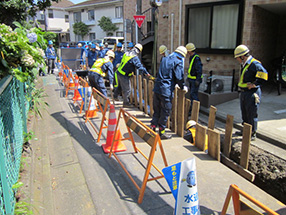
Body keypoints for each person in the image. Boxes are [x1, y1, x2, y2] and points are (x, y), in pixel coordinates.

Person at [150, 46, 188, 139]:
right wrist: (182, 86)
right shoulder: (178, 62)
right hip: (166, 91)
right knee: (165, 111)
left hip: (157, 88)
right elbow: (179, 77)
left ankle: (153, 128)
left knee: (157, 110)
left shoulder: (165, 59)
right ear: (182, 55)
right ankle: (162, 132)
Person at [234, 44, 268, 140]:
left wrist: (255, 84)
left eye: (237, 57)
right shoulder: (245, 64)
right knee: (244, 112)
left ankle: (252, 133)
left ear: (242, 56)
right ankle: (245, 130)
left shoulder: (254, 64)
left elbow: (264, 75)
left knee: (251, 113)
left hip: (252, 93)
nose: (237, 59)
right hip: (244, 92)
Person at [117, 43, 150, 107]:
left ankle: (119, 97)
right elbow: (139, 66)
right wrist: (146, 73)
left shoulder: (126, 53)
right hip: (124, 75)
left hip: (119, 72)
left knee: (122, 88)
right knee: (127, 89)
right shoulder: (134, 57)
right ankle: (126, 103)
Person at [186, 43, 203, 116]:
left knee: (194, 94)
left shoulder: (196, 58)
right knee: (192, 94)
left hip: (195, 80)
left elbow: (199, 70)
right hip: (192, 79)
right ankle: (193, 108)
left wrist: (198, 80)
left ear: (189, 51)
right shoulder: (192, 57)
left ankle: (195, 109)